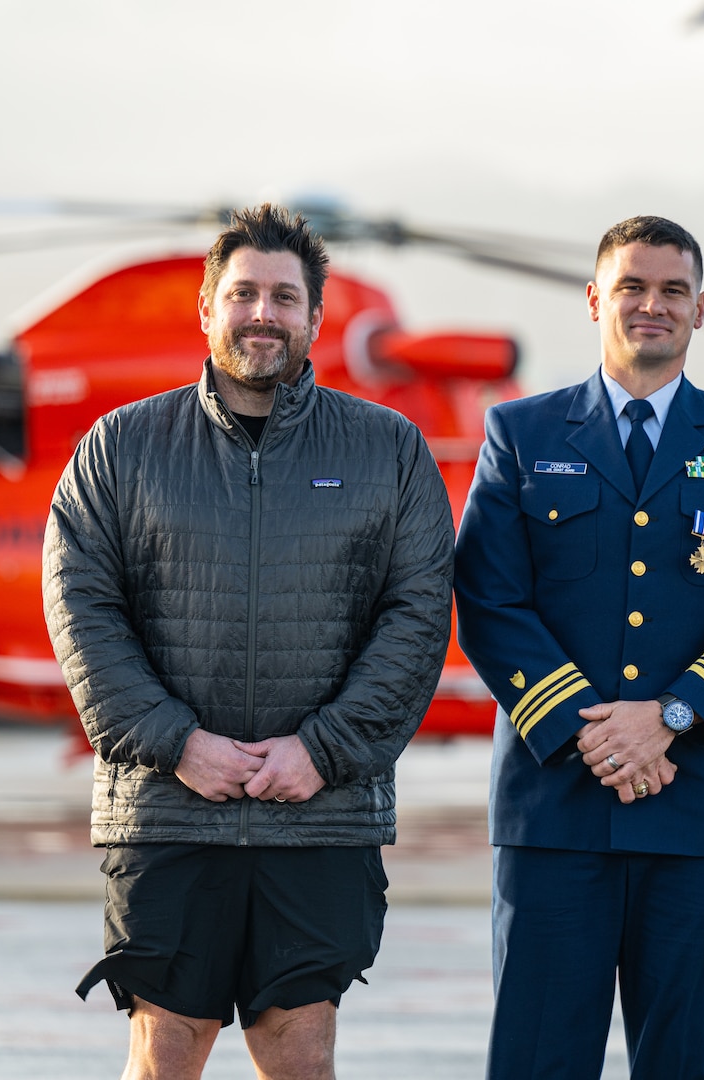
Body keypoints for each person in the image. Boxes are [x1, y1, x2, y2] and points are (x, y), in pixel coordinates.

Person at [42, 204, 455, 1080]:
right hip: (164, 806)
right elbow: (81, 614)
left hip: (320, 812)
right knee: (164, 1051)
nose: (261, 313)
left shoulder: (391, 450)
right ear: (206, 310)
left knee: (300, 1050)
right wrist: (176, 744)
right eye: (242, 295)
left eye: (283, 297)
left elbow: (417, 618)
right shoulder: (120, 448)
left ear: (313, 315)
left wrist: (323, 751)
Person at [454, 215, 704, 1079]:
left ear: (701, 309)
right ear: (594, 300)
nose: (651, 306)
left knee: (690, 1061)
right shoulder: (521, 436)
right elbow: (490, 601)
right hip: (556, 815)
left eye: (671, 291)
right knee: (540, 1060)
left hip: (699, 816)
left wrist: (671, 719)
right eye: (631, 287)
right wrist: (599, 733)